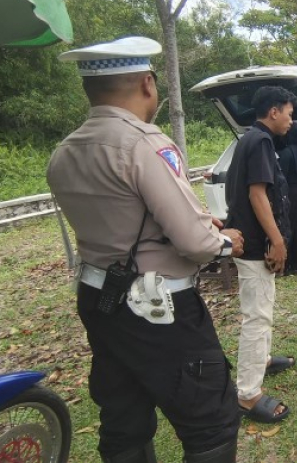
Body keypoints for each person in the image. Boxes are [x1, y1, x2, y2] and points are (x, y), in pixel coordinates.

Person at [47, 36, 244, 463]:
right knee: (210, 418)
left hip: (99, 298)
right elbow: (194, 242)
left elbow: (118, 219)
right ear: (147, 84)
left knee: (123, 413)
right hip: (158, 306)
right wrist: (224, 241)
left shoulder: (63, 152)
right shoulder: (145, 143)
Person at [224, 86, 296, 424]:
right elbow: (257, 195)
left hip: (250, 241)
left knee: (262, 306)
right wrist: (277, 240)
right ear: (273, 112)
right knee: (257, 316)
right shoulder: (262, 141)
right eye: (289, 113)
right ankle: (249, 394)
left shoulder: (249, 139)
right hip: (254, 246)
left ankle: (263, 359)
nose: (291, 121)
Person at [277, 122, 297, 276]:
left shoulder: (286, 153)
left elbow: (280, 176)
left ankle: (286, 264)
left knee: (288, 228)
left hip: (291, 194)